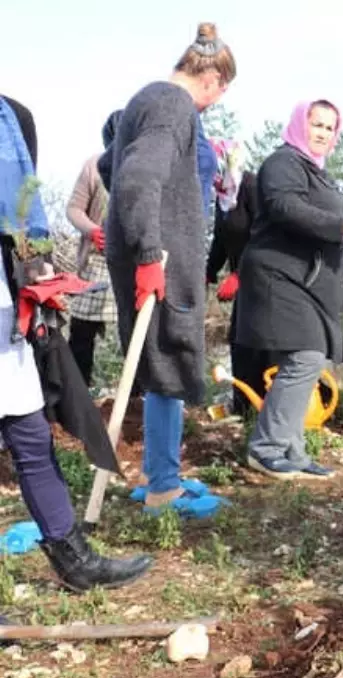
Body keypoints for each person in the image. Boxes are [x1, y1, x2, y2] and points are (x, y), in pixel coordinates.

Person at [0, 96, 153, 592]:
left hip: (7, 307)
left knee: (30, 435)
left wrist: (37, 275)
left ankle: (75, 561)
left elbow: (22, 211)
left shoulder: (11, 116)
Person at [101, 22, 236, 519]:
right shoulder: (173, 104)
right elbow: (135, 176)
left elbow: (109, 167)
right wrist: (146, 252)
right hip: (158, 258)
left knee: (164, 361)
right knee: (168, 357)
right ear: (214, 81)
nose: (213, 105)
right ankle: (162, 489)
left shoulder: (146, 100)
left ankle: (161, 475)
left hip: (159, 252)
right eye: (220, 95)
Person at [235, 100, 343, 479]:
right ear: (301, 124)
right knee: (305, 356)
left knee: (309, 360)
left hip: (307, 281)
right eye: (316, 124)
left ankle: (292, 449)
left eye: (329, 128)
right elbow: (284, 206)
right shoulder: (283, 163)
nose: (322, 133)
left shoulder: (319, 172)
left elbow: (324, 217)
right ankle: (266, 448)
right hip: (280, 276)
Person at [204, 139, 270, 415]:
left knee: (261, 344)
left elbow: (264, 233)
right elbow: (221, 240)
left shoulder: (252, 188)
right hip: (243, 282)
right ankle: (244, 408)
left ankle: (269, 411)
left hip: (266, 279)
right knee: (240, 342)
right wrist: (206, 274)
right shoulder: (223, 198)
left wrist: (239, 274)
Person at [64, 111, 122, 387]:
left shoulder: (145, 170)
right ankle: (78, 394)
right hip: (96, 263)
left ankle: (136, 398)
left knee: (133, 334)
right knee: (82, 332)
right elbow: (74, 209)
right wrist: (93, 230)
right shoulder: (94, 166)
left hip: (129, 266)